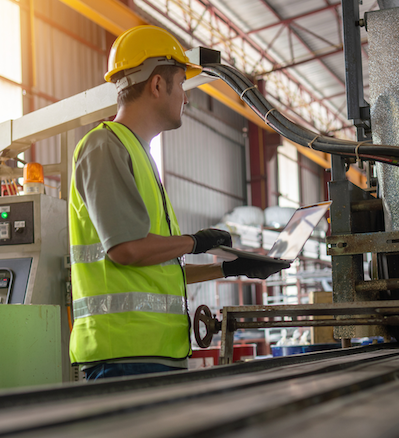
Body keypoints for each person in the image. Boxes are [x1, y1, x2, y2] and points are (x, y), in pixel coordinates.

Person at [69, 25, 288, 380]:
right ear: (157, 85)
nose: (185, 97)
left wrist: (231, 268)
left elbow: (157, 273)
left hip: (154, 352)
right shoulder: (105, 146)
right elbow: (126, 250)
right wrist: (197, 242)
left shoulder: (140, 157)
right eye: (181, 84)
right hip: (123, 355)